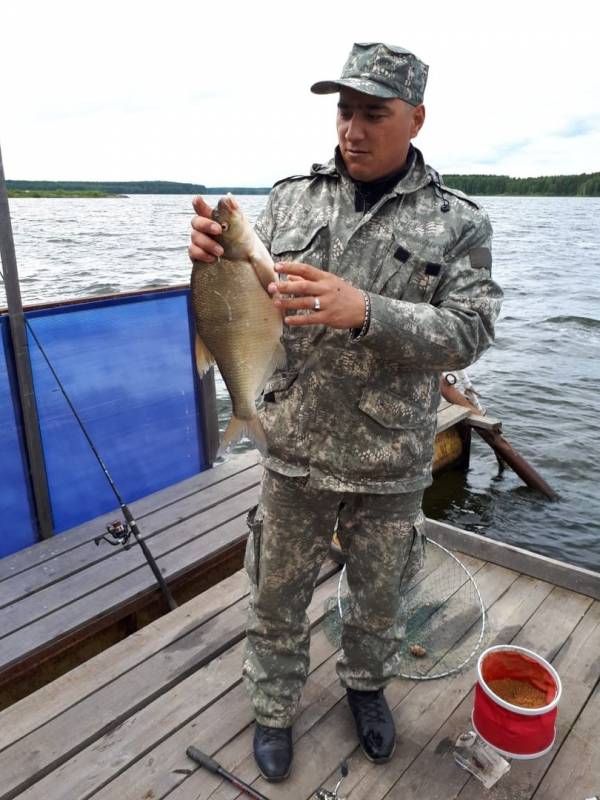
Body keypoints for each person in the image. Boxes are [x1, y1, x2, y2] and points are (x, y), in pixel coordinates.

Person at [189, 42, 503, 782]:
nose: (353, 129)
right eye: (344, 111)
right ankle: (272, 705)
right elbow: (250, 293)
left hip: (389, 456)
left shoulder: (459, 222)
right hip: (290, 440)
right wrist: (212, 257)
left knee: (379, 599)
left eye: (374, 113)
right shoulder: (290, 198)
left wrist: (367, 310)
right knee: (275, 592)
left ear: (416, 118)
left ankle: (366, 688)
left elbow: (471, 330)